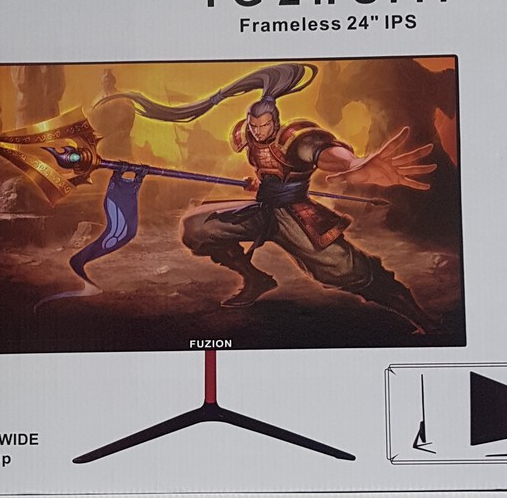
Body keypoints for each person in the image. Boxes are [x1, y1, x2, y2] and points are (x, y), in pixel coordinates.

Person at [99, 62, 437, 331]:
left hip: (295, 214)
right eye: (254, 126)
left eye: (265, 126)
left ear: (275, 122)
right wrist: (259, 181)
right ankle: (256, 279)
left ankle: (421, 319)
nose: (259, 132)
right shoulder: (245, 135)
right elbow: (267, 170)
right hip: (263, 208)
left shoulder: (294, 137)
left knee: (347, 271)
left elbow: (321, 152)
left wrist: (354, 164)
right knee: (197, 228)